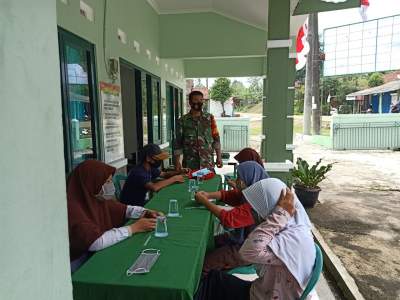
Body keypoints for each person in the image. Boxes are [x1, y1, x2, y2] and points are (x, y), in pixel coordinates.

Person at [195, 178, 316, 300]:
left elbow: (247, 252)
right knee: (215, 279)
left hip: (265, 296)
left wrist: (280, 215)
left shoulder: (290, 239)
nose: (255, 211)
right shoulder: (296, 228)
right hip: (265, 290)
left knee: (209, 283)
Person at [67, 160, 162, 272]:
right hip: (78, 260)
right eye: (107, 182)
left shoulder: (96, 198)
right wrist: (134, 228)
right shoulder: (73, 208)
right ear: (91, 183)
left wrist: (145, 212)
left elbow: (125, 209)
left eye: (110, 181)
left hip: (95, 253)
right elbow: (95, 242)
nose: (110, 186)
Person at [195, 161, 269, 275]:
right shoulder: (252, 192)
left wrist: (205, 202)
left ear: (250, 178)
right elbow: (230, 195)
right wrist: (209, 195)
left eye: (240, 178)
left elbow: (229, 219)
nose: (237, 181)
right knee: (205, 244)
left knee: (203, 264)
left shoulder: (258, 203)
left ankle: (205, 289)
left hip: (248, 249)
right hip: (241, 239)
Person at [120, 144, 187, 207]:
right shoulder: (138, 172)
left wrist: (178, 172)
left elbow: (165, 174)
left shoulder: (149, 167)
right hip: (132, 207)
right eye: (157, 158)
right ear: (148, 158)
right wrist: (174, 179)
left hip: (141, 202)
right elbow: (154, 187)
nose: (159, 161)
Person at [174, 90, 223, 171]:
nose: (199, 102)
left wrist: (219, 157)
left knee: (209, 183)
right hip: (190, 165)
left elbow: (216, 139)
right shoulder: (182, 121)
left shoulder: (210, 118)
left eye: (201, 100)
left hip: (208, 164)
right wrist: (177, 162)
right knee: (191, 183)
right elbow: (177, 143)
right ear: (190, 102)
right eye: (196, 100)